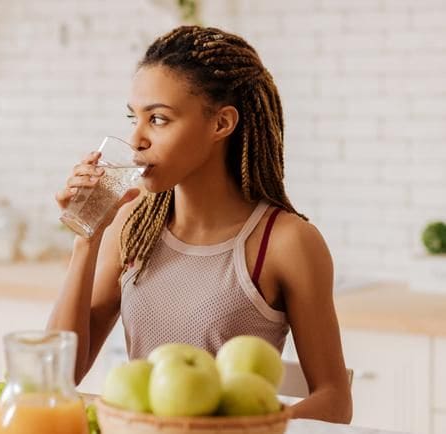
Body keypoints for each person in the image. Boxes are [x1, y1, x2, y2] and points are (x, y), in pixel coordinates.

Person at [48, 25, 352, 423]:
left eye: (158, 119)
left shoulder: (285, 242)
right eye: (133, 117)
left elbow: (334, 400)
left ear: (221, 124)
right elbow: (57, 376)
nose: (136, 138)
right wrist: (87, 236)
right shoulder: (131, 225)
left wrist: (241, 430)